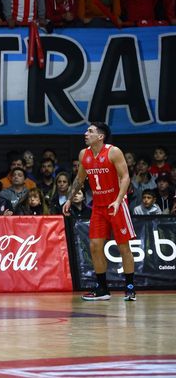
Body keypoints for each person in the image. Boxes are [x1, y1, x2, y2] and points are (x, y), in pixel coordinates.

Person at [63, 122, 136, 301]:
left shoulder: (113, 151)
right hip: (98, 206)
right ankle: (102, 289)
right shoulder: (84, 154)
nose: (85, 133)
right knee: (95, 246)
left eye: (90, 131)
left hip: (116, 205)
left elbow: (125, 177)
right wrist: (69, 199)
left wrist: (119, 200)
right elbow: (80, 179)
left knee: (123, 247)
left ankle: (130, 288)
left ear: (100, 136)